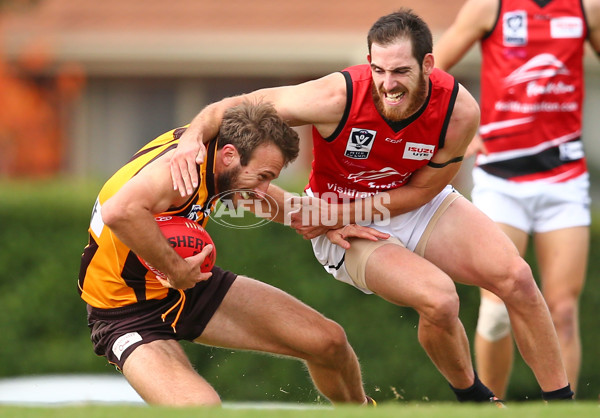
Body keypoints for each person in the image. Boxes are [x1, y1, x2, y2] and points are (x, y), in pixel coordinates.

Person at [169, 9, 574, 402]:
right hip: (339, 225)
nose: (388, 84)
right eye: (379, 71)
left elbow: (421, 193)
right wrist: (191, 138)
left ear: (428, 64)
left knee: (517, 278)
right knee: (440, 300)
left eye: (400, 72)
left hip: (406, 203)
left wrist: (341, 215)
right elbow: (234, 109)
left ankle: (561, 404)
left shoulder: (458, 111)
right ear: (368, 64)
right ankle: (474, 398)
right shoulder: (336, 97)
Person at [77, 101, 374, 407]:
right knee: (201, 409)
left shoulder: (220, 159)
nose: (263, 188)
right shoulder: (178, 172)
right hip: (127, 312)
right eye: (262, 176)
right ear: (230, 155)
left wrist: (327, 222)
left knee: (329, 342)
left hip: (192, 284)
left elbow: (262, 195)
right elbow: (119, 211)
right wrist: (175, 269)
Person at [433, 0, 600, 398]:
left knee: (562, 310)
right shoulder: (489, 7)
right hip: (501, 182)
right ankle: (494, 405)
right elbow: (428, 75)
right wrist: (454, 133)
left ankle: (562, 408)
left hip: (564, 179)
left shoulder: (586, 8)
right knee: (495, 312)